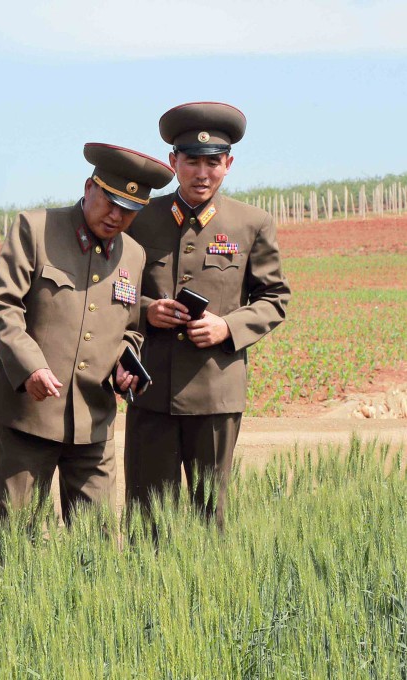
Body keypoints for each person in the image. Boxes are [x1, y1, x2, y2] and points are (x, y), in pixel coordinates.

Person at [0, 143, 175, 528]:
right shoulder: (36, 229)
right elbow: (5, 307)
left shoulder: (134, 255)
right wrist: (30, 366)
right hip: (29, 415)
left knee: (97, 539)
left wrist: (127, 362)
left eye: (130, 211)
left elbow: (130, 328)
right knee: (11, 533)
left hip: (94, 419)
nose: (117, 217)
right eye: (110, 202)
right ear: (90, 187)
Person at [124, 102, 291, 529]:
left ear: (229, 164)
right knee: (148, 521)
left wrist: (227, 326)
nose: (202, 173)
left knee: (209, 520)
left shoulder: (251, 223)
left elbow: (273, 298)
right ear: (172, 161)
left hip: (216, 394)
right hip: (151, 392)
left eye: (213, 162)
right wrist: (148, 310)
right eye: (192, 161)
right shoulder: (141, 221)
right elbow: (113, 289)